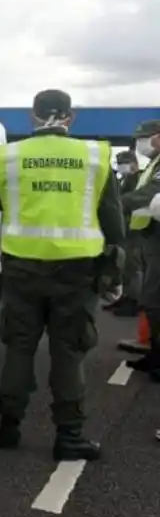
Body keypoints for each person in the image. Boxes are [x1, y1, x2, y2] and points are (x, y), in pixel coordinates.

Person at [0, 89, 124, 462]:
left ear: (32, 117)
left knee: (18, 349)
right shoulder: (96, 157)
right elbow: (114, 224)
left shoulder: (6, 159)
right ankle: (69, 437)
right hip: (77, 275)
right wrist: (115, 277)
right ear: (70, 118)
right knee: (69, 353)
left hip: (21, 272)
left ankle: (8, 427)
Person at [120, 120, 160, 380]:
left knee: (155, 299)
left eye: (144, 138)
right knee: (152, 299)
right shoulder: (154, 163)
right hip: (149, 235)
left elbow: (149, 194)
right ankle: (154, 356)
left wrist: (115, 205)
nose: (141, 144)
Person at [105, 150, 144, 316]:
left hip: (136, 229)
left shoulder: (139, 179)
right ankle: (126, 298)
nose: (121, 167)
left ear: (133, 163)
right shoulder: (126, 179)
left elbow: (132, 200)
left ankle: (135, 301)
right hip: (127, 228)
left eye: (123, 163)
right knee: (126, 266)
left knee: (134, 267)